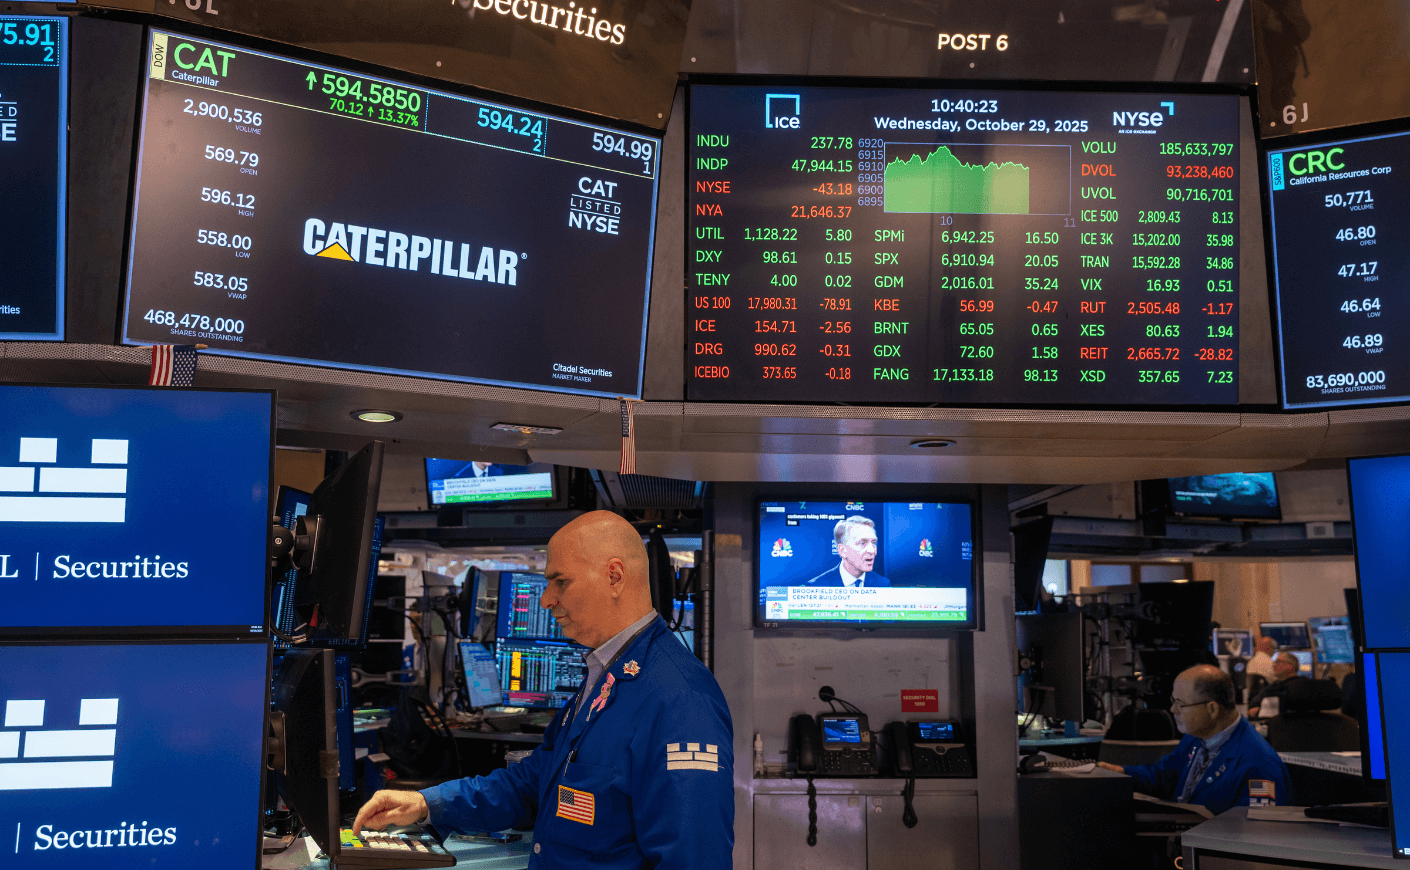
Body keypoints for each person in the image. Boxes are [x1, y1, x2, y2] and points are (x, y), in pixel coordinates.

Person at [352, 511, 734, 868]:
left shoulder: (681, 700)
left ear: (614, 577)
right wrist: (425, 803)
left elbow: (693, 857)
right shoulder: (605, 675)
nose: (546, 598)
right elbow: (533, 781)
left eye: (560, 581)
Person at [1099, 665, 1292, 814]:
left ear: (1212, 709)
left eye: (1180, 704)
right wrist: (1120, 772)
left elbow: (1256, 835)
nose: (1173, 710)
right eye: (1173, 702)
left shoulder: (1259, 765)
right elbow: (1164, 777)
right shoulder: (1195, 738)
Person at [801, 515, 891, 587]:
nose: (872, 550)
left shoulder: (883, 584)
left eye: (874, 543)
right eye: (862, 543)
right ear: (842, 551)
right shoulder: (816, 586)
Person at [1247, 653, 1305, 719]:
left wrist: (1260, 711)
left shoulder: (1301, 686)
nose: (1274, 665)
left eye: (1278, 662)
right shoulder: (1272, 687)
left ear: (1291, 665)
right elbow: (1253, 705)